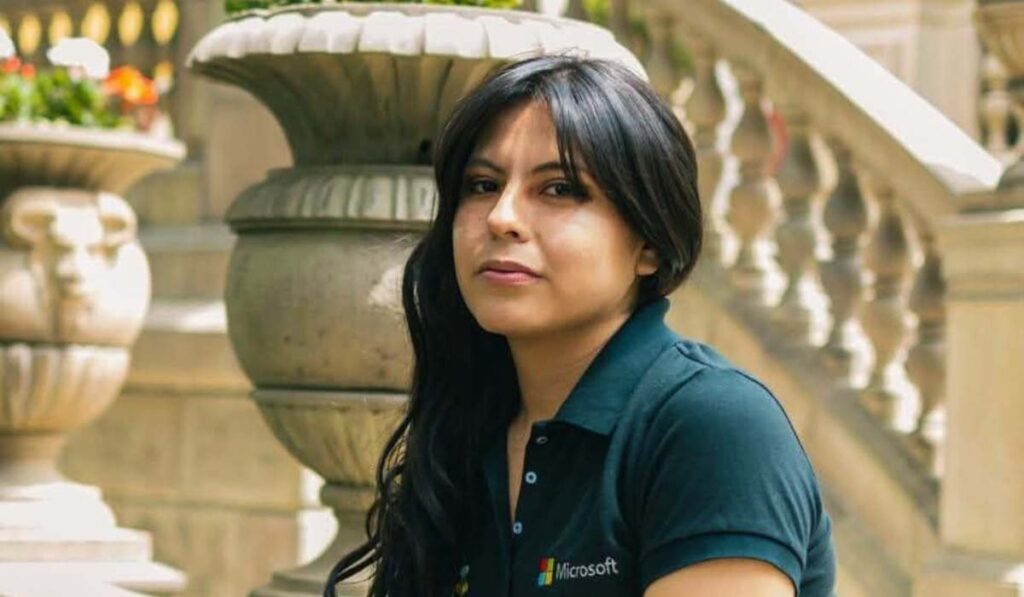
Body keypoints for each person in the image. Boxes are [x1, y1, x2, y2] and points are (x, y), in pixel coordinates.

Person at [324, 54, 836, 597]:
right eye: (482, 184)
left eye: (559, 188)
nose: (500, 217)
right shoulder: (466, 432)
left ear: (649, 243)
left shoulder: (712, 426)